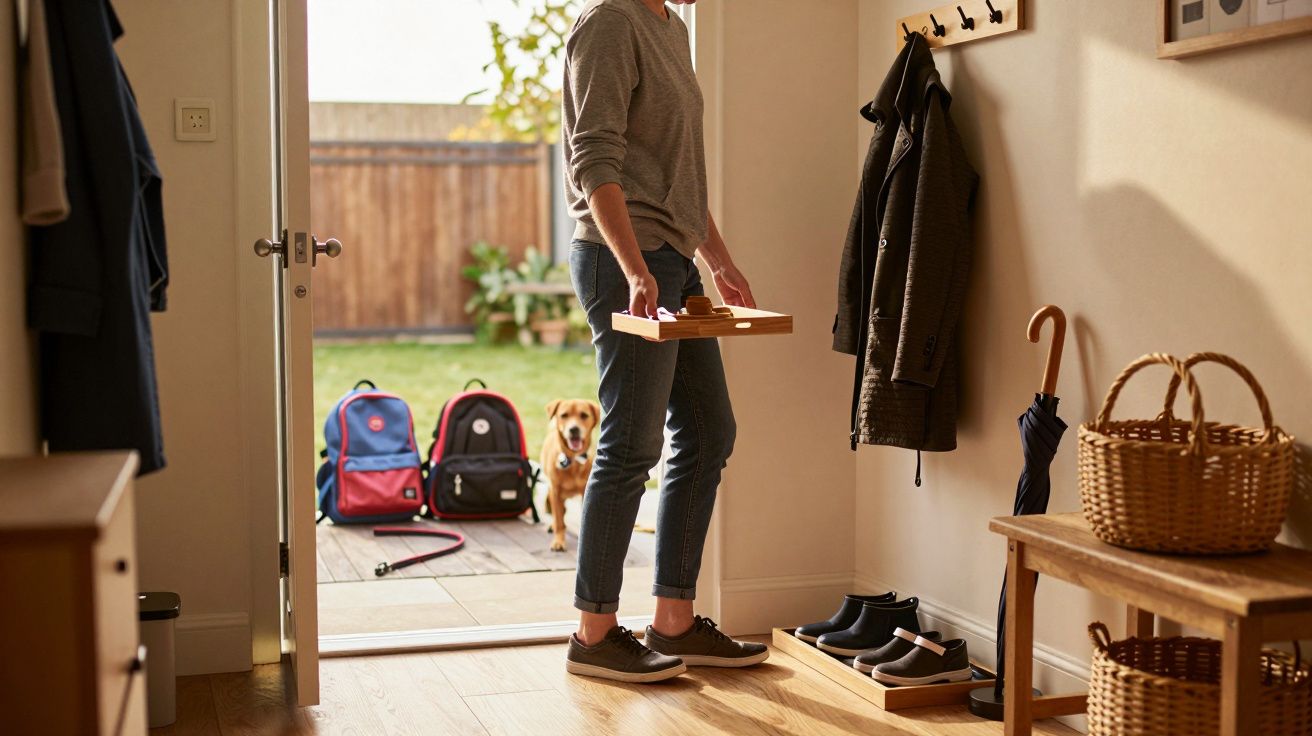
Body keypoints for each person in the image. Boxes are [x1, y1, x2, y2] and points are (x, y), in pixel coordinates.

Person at [560, 0, 767, 683]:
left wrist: (718, 260)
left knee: (709, 432)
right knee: (630, 444)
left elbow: (678, 175)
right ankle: (594, 633)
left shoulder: (670, 28)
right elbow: (594, 159)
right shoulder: (610, 23)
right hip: (624, 258)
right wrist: (633, 268)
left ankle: (674, 619)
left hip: (672, 259)